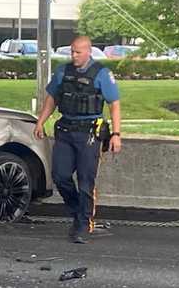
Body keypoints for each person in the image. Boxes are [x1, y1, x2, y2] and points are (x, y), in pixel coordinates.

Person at [34, 36, 122, 244]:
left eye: (78, 52)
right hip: (65, 130)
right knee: (60, 176)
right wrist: (41, 121)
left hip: (89, 133)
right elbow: (52, 97)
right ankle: (78, 211)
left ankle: (83, 224)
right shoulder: (63, 72)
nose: (74, 55)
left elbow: (114, 104)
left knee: (85, 181)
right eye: (72, 51)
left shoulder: (101, 73)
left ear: (89, 51)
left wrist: (116, 134)